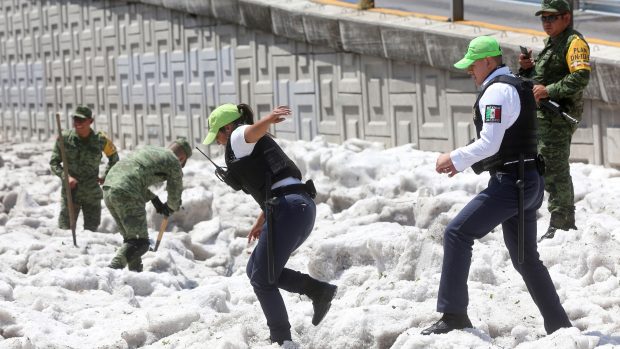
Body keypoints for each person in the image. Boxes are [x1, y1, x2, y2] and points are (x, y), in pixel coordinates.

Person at [422, 36, 571, 336]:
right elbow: (503, 141)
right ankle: (560, 327)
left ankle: (453, 315)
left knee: (457, 233)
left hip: (511, 185)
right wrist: (463, 161)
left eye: (472, 65)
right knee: (526, 259)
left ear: (488, 61)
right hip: (529, 182)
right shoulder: (514, 85)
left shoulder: (497, 92)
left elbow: (490, 143)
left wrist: (453, 157)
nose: (469, 71)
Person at [202, 103, 337, 345]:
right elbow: (276, 182)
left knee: (263, 280)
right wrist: (260, 220)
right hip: (298, 208)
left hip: (289, 209)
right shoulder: (247, 144)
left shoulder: (238, 135)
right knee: (255, 269)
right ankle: (318, 291)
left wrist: (269, 119)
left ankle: (281, 339)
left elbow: (249, 132)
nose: (219, 142)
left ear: (228, 127)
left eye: (218, 135)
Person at [518, 0, 591, 240]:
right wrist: (528, 69)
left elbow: (580, 77)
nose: (546, 23)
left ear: (566, 18)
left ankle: (563, 224)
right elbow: (540, 79)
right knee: (546, 167)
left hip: (559, 116)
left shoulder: (574, 43)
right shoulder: (553, 43)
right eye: (543, 18)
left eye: (552, 17)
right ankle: (559, 221)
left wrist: (549, 90)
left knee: (555, 169)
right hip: (545, 117)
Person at [102, 138, 192, 272]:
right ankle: (111, 271)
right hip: (127, 191)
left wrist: (154, 198)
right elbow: (175, 191)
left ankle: (136, 272)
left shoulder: (150, 150)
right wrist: (171, 207)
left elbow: (134, 175)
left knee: (132, 240)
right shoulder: (173, 161)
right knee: (141, 243)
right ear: (182, 158)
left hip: (109, 188)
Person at [50, 105, 119, 232]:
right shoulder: (64, 139)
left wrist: (106, 176)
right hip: (71, 194)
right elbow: (54, 163)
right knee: (65, 231)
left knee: (91, 233)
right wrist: (67, 177)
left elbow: (114, 159)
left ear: (90, 121)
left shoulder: (101, 140)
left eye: (82, 120)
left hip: (91, 195)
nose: (78, 123)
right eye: (75, 119)